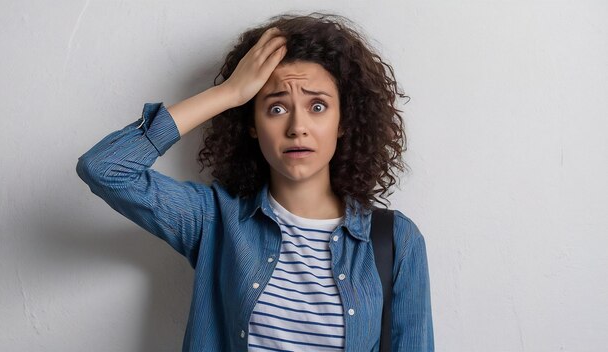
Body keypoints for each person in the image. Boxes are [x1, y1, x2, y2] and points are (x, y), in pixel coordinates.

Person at [76, 12, 434, 352]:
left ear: (343, 122)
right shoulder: (214, 220)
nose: (297, 127)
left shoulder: (396, 241)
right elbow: (105, 168)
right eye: (276, 108)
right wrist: (229, 94)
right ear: (251, 124)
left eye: (318, 107)